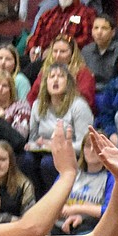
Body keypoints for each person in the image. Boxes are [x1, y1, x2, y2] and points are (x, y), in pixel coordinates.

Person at [56, 130, 118, 236]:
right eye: (88, 146)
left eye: (96, 146)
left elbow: (110, 210)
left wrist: (78, 211)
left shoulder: (111, 177)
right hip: (63, 223)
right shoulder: (72, 173)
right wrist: (68, 214)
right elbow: (53, 201)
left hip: (95, 226)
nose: (91, 151)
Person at [23, 64, 95, 198]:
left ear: (68, 83)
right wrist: (35, 145)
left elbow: (86, 144)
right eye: (52, 77)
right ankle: (37, 201)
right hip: (44, 151)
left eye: (61, 76)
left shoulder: (79, 105)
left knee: (48, 163)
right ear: (46, 83)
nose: (55, 80)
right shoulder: (37, 105)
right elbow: (33, 139)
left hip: (72, 154)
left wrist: (56, 146)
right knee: (26, 160)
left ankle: (56, 201)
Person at [24, 0, 96, 74]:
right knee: (15, 62)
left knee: (29, 72)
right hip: (39, 57)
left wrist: (54, 50)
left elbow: (86, 39)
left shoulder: (86, 13)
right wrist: (32, 48)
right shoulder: (47, 14)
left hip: (66, 62)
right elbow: (35, 36)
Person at [26, 34, 97, 108]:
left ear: (72, 53)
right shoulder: (45, 71)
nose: (57, 55)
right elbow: (32, 97)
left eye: (63, 51)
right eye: (55, 51)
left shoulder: (83, 73)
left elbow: (86, 101)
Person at [0, 139, 36, 223]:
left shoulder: (24, 185)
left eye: (2, 159)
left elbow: (30, 220)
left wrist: (4, 219)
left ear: (11, 162)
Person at [82, 13, 118, 92]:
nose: (99, 32)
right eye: (96, 28)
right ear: (92, 31)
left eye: (104, 28)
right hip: (89, 92)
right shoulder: (86, 51)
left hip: (111, 94)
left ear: (113, 32)